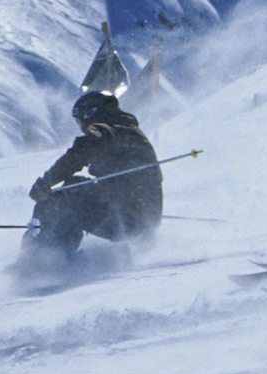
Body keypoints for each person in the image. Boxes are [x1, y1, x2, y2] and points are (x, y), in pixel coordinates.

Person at [24, 91, 163, 256]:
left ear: (90, 114)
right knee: (74, 187)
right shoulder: (127, 129)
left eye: (79, 120)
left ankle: (41, 257)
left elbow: (77, 156)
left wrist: (44, 184)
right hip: (143, 219)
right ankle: (50, 251)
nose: (81, 127)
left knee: (62, 196)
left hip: (126, 220)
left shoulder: (104, 130)